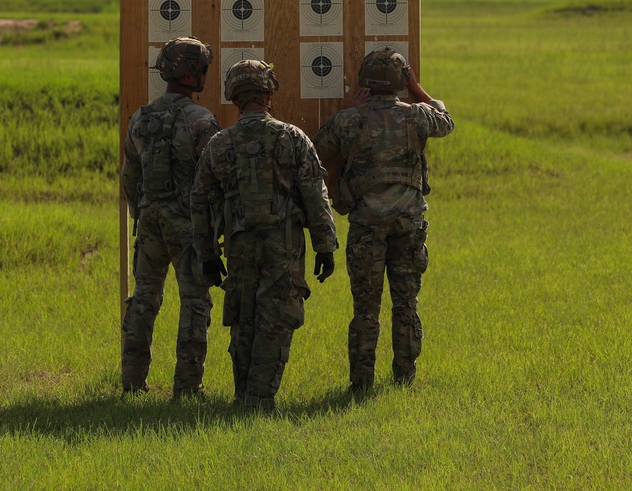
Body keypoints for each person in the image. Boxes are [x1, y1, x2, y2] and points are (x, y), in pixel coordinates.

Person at [191, 59, 338, 410]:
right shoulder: (291, 137)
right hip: (282, 245)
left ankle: (245, 396)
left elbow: (200, 201)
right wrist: (325, 246)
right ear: (269, 93)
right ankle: (259, 400)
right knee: (276, 317)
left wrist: (208, 255)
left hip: (239, 245)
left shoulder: (219, 143)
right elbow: (314, 194)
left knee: (243, 317)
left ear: (234, 98)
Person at [312, 46, 454, 393]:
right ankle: (405, 378)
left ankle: (361, 384)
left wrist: (349, 113)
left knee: (365, 308)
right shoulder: (417, 115)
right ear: (399, 81)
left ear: (365, 81)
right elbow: (446, 122)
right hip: (409, 225)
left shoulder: (349, 120)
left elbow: (316, 150)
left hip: (366, 227)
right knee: (406, 303)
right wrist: (418, 89)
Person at [120, 36, 220, 398]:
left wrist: (142, 211)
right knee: (195, 301)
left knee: (144, 297)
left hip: (149, 218)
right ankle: (188, 388)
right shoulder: (202, 120)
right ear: (193, 74)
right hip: (187, 224)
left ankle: (132, 381)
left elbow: (129, 175)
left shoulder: (140, 118)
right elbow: (213, 178)